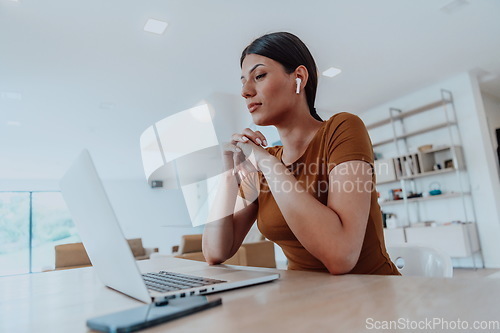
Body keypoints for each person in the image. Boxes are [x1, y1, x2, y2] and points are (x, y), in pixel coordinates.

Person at [202, 32, 400, 275]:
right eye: (243, 81)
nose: (245, 91)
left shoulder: (342, 128)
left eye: (259, 76)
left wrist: (266, 161)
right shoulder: (263, 164)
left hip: (371, 296)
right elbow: (215, 251)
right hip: (304, 299)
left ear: (299, 77)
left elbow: (341, 256)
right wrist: (229, 170)